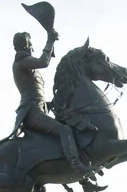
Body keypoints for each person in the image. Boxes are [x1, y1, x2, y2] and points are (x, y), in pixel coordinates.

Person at [11, 29, 92, 178]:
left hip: (39, 109)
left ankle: (83, 179)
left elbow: (36, 93)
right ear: (26, 44)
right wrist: (50, 41)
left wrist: (50, 104)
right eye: (29, 43)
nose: (31, 47)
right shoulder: (21, 62)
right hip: (31, 112)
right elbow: (44, 62)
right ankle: (75, 166)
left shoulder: (25, 64)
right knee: (64, 130)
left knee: (67, 129)